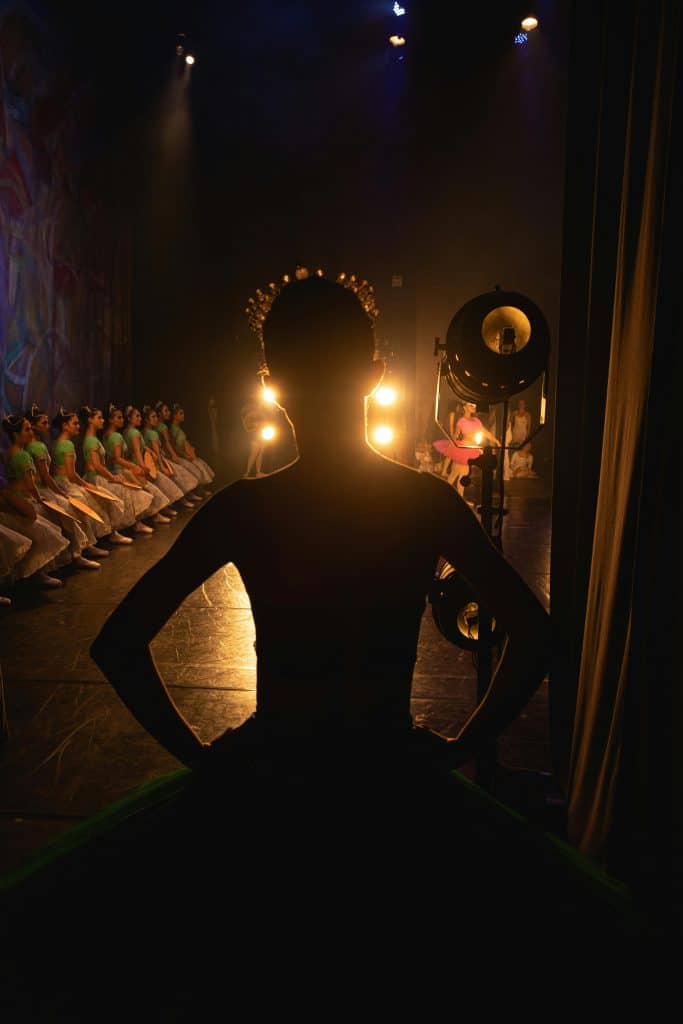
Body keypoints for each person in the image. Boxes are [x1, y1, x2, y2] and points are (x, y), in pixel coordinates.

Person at [91, 274, 550, 785]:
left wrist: (203, 762)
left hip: (276, 777)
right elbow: (533, 633)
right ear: (374, 375)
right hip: (386, 775)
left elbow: (118, 644)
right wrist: (458, 751)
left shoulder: (243, 510)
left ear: (272, 386)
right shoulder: (426, 504)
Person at [0, 415, 70, 588]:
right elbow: (31, 485)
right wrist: (39, 499)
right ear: (16, 435)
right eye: (27, 429)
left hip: (14, 502)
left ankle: (31, 574)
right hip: (25, 501)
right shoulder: (23, 455)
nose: (31, 432)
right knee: (43, 533)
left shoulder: (8, 454)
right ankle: (39, 573)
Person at [434, 400, 500, 497]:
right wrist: (451, 446)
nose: (474, 407)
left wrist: (495, 440)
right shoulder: (461, 420)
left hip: (471, 449)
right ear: (465, 407)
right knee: (461, 475)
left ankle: (446, 495)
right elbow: (456, 435)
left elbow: (486, 432)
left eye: (474, 405)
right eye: (471, 405)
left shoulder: (477, 421)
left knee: (455, 475)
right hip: (463, 449)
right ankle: (454, 497)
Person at [241, 397, 267, 478]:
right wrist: (253, 426)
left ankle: (258, 472)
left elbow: (264, 419)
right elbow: (245, 423)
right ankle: (247, 472)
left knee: (261, 451)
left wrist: (262, 424)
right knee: (254, 452)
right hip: (253, 433)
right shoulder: (246, 409)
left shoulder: (260, 409)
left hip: (261, 432)